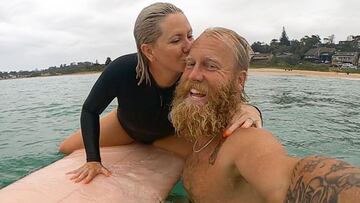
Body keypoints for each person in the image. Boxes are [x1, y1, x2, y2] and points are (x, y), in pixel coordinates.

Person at [59, 2, 262, 184]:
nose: (189, 46)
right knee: (66, 148)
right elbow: (89, 110)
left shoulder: (193, 74)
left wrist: (251, 110)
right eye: (176, 40)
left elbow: (227, 94)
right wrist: (93, 160)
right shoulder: (123, 69)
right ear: (148, 51)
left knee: (215, 168)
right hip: (124, 127)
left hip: (170, 136)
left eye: (190, 35)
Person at [170, 27, 360, 203]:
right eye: (190, 63)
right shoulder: (194, 129)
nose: (193, 75)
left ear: (239, 80)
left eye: (210, 66)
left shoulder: (246, 141)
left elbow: (288, 177)